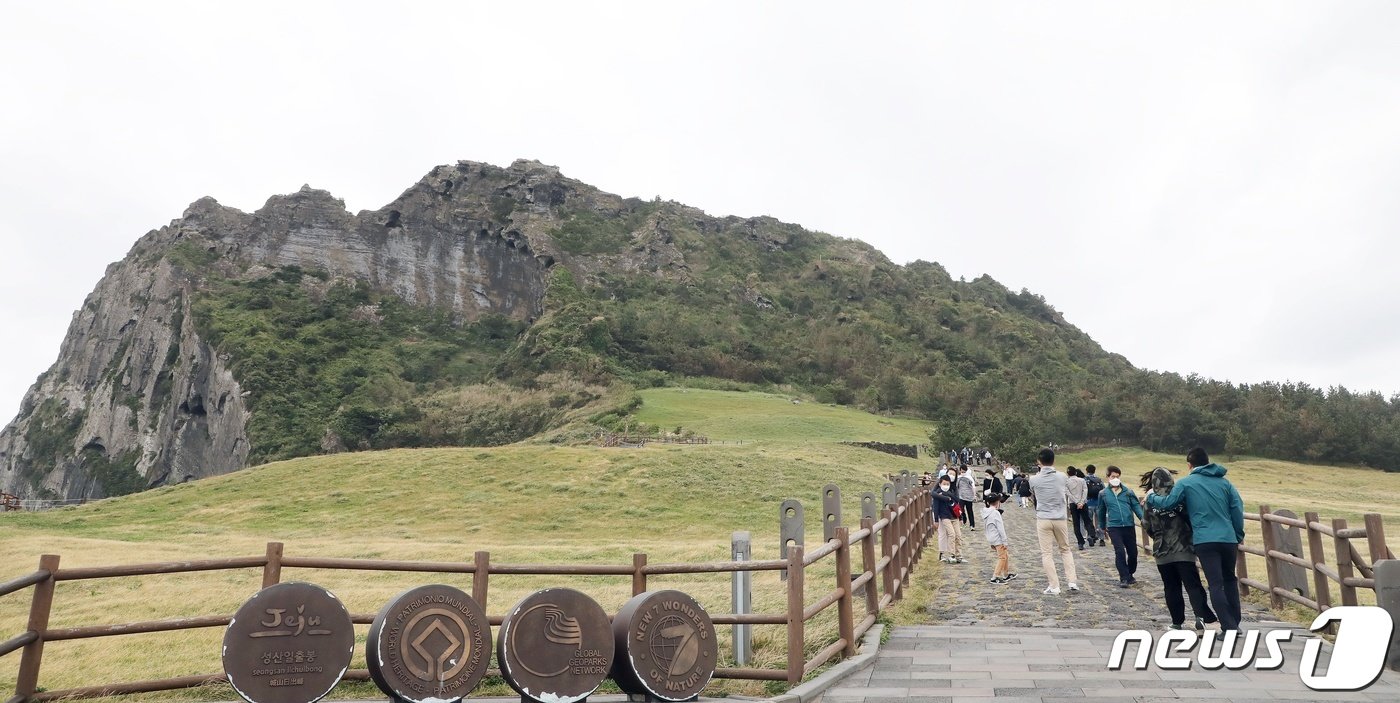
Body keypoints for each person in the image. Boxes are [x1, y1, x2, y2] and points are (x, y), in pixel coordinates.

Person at [1146, 447, 1246, 631]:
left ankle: (1228, 626)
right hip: (1228, 539)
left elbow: (1168, 503)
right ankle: (1235, 623)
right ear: (1208, 462)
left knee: (1215, 584)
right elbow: (1237, 509)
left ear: (1189, 464)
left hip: (1205, 540)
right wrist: (1238, 535)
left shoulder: (1186, 483)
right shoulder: (1226, 483)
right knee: (1230, 580)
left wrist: (1151, 497)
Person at [1140, 467, 1219, 631]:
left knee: (1171, 587)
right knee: (1193, 585)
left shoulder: (1150, 501)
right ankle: (1200, 616)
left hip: (1162, 551)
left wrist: (1158, 537)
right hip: (1184, 548)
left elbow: (1146, 524)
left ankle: (1177, 622)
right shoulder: (1180, 498)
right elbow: (1192, 518)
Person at [1029, 448, 1078, 595]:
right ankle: (1072, 581)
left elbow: (1032, 492)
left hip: (1043, 517)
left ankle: (1054, 585)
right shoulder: (1062, 476)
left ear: (1039, 461)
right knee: (1065, 549)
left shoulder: (1033, 479)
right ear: (1053, 460)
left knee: (1047, 553)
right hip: (1060, 517)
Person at [1096, 465, 1144, 588]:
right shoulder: (1103, 494)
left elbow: (1136, 507)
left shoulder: (1128, 492)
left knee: (1133, 553)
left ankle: (1130, 573)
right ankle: (1123, 577)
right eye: (1113, 476)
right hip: (1114, 527)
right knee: (1120, 552)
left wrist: (1143, 518)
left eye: (1117, 476)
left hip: (1128, 525)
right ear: (1108, 477)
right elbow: (1101, 510)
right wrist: (1102, 525)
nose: (1116, 479)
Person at [983, 492, 1016, 584]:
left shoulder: (986, 512)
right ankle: (995, 576)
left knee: (1005, 555)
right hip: (998, 538)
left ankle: (1006, 574)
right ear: (998, 502)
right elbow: (1001, 528)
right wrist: (1005, 541)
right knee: (1002, 557)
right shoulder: (995, 513)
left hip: (991, 537)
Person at [932, 474, 965, 563]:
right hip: (945, 517)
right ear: (940, 484)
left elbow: (957, 504)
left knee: (958, 535)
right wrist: (936, 520)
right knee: (951, 534)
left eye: (947, 484)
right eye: (944, 484)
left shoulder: (951, 492)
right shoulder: (937, 494)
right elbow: (935, 508)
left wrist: (961, 517)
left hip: (954, 516)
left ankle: (959, 555)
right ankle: (951, 554)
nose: (946, 486)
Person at [1065, 467, 1097, 550]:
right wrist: (1081, 502)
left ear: (1068, 473)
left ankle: (1080, 542)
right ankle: (1090, 535)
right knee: (1087, 520)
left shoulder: (1067, 482)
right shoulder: (1082, 480)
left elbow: (1068, 493)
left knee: (1076, 523)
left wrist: (1076, 502)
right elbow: (1085, 491)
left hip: (1073, 503)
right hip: (1083, 503)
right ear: (1075, 472)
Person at [1084, 465, 1105, 546]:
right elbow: (1103, 490)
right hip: (1098, 503)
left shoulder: (1085, 480)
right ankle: (1102, 539)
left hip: (1088, 503)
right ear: (1094, 470)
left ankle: (1091, 536)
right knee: (1100, 521)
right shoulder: (1099, 480)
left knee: (1089, 521)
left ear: (1086, 471)